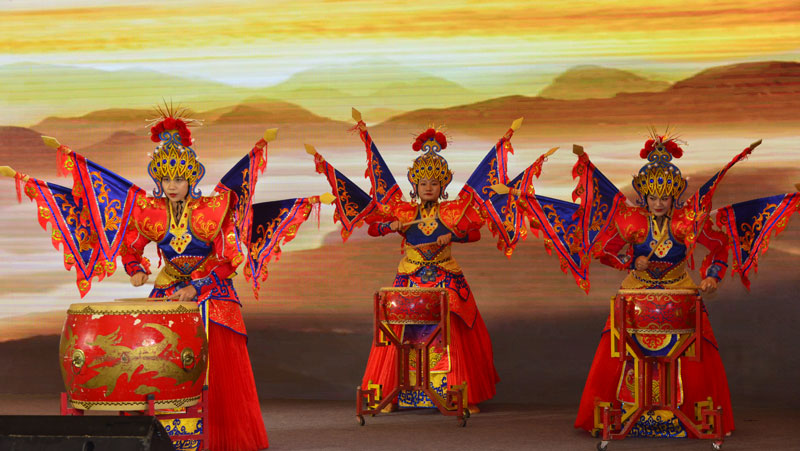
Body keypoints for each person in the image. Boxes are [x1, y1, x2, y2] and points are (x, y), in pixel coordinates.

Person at [1, 109, 328, 451]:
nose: (172, 186)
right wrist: (135, 268)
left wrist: (197, 287)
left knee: (212, 365)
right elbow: (130, 247)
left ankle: (217, 436)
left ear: (191, 179)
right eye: (166, 180)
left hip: (211, 291)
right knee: (153, 357)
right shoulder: (151, 212)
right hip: (168, 291)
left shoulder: (213, 210)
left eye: (178, 180)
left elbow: (230, 260)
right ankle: (161, 434)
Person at [308, 116, 532, 413]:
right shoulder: (403, 211)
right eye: (423, 183)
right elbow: (373, 228)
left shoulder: (453, 211)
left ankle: (453, 393)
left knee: (450, 328)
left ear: (443, 186)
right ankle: (392, 393)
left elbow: (475, 233)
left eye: (434, 183)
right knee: (398, 329)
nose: (428, 187)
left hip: (445, 276)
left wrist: (454, 235)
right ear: (415, 185)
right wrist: (390, 226)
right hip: (411, 276)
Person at [569, 134, 760, 438]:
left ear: (674, 197)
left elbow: (719, 247)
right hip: (635, 295)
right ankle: (625, 415)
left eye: (665, 198)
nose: (658, 204)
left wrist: (713, 276)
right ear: (644, 197)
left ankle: (687, 415)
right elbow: (605, 251)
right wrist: (631, 261)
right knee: (624, 352)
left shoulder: (688, 222)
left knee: (691, 352)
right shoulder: (631, 221)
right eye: (653, 198)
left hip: (680, 293)